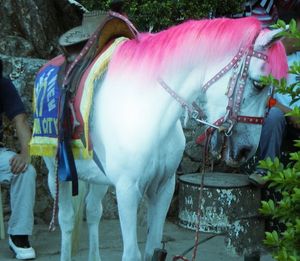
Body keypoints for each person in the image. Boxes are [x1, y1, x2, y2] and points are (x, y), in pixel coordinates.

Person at [248, 5, 300, 186]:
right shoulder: (277, 57)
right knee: (274, 117)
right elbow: (266, 98)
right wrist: (288, 112)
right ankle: (265, 170)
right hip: (284, 117)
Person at [0, 59, 36, 260]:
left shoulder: (3, 85)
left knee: (25, 171)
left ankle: (19, 235)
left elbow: (20, 119)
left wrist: (25, 153)